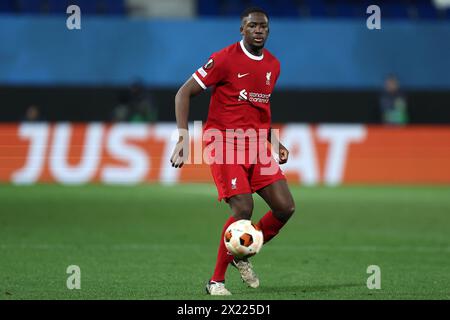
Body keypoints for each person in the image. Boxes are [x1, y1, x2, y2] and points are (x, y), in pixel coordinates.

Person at [170, 7, 295, 295]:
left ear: (268, 30)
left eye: (263, 26)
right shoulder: (224, 59)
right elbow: (183, 92)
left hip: (254, 144)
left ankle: (243, 252)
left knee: (285, 207)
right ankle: (216, 282)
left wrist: (274, 143)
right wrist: (182, 138)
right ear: (242, 29)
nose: (258, 30)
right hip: (223, 142)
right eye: (252, 26)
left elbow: (259, 110)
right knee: (243, 208)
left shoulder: (273, 65)